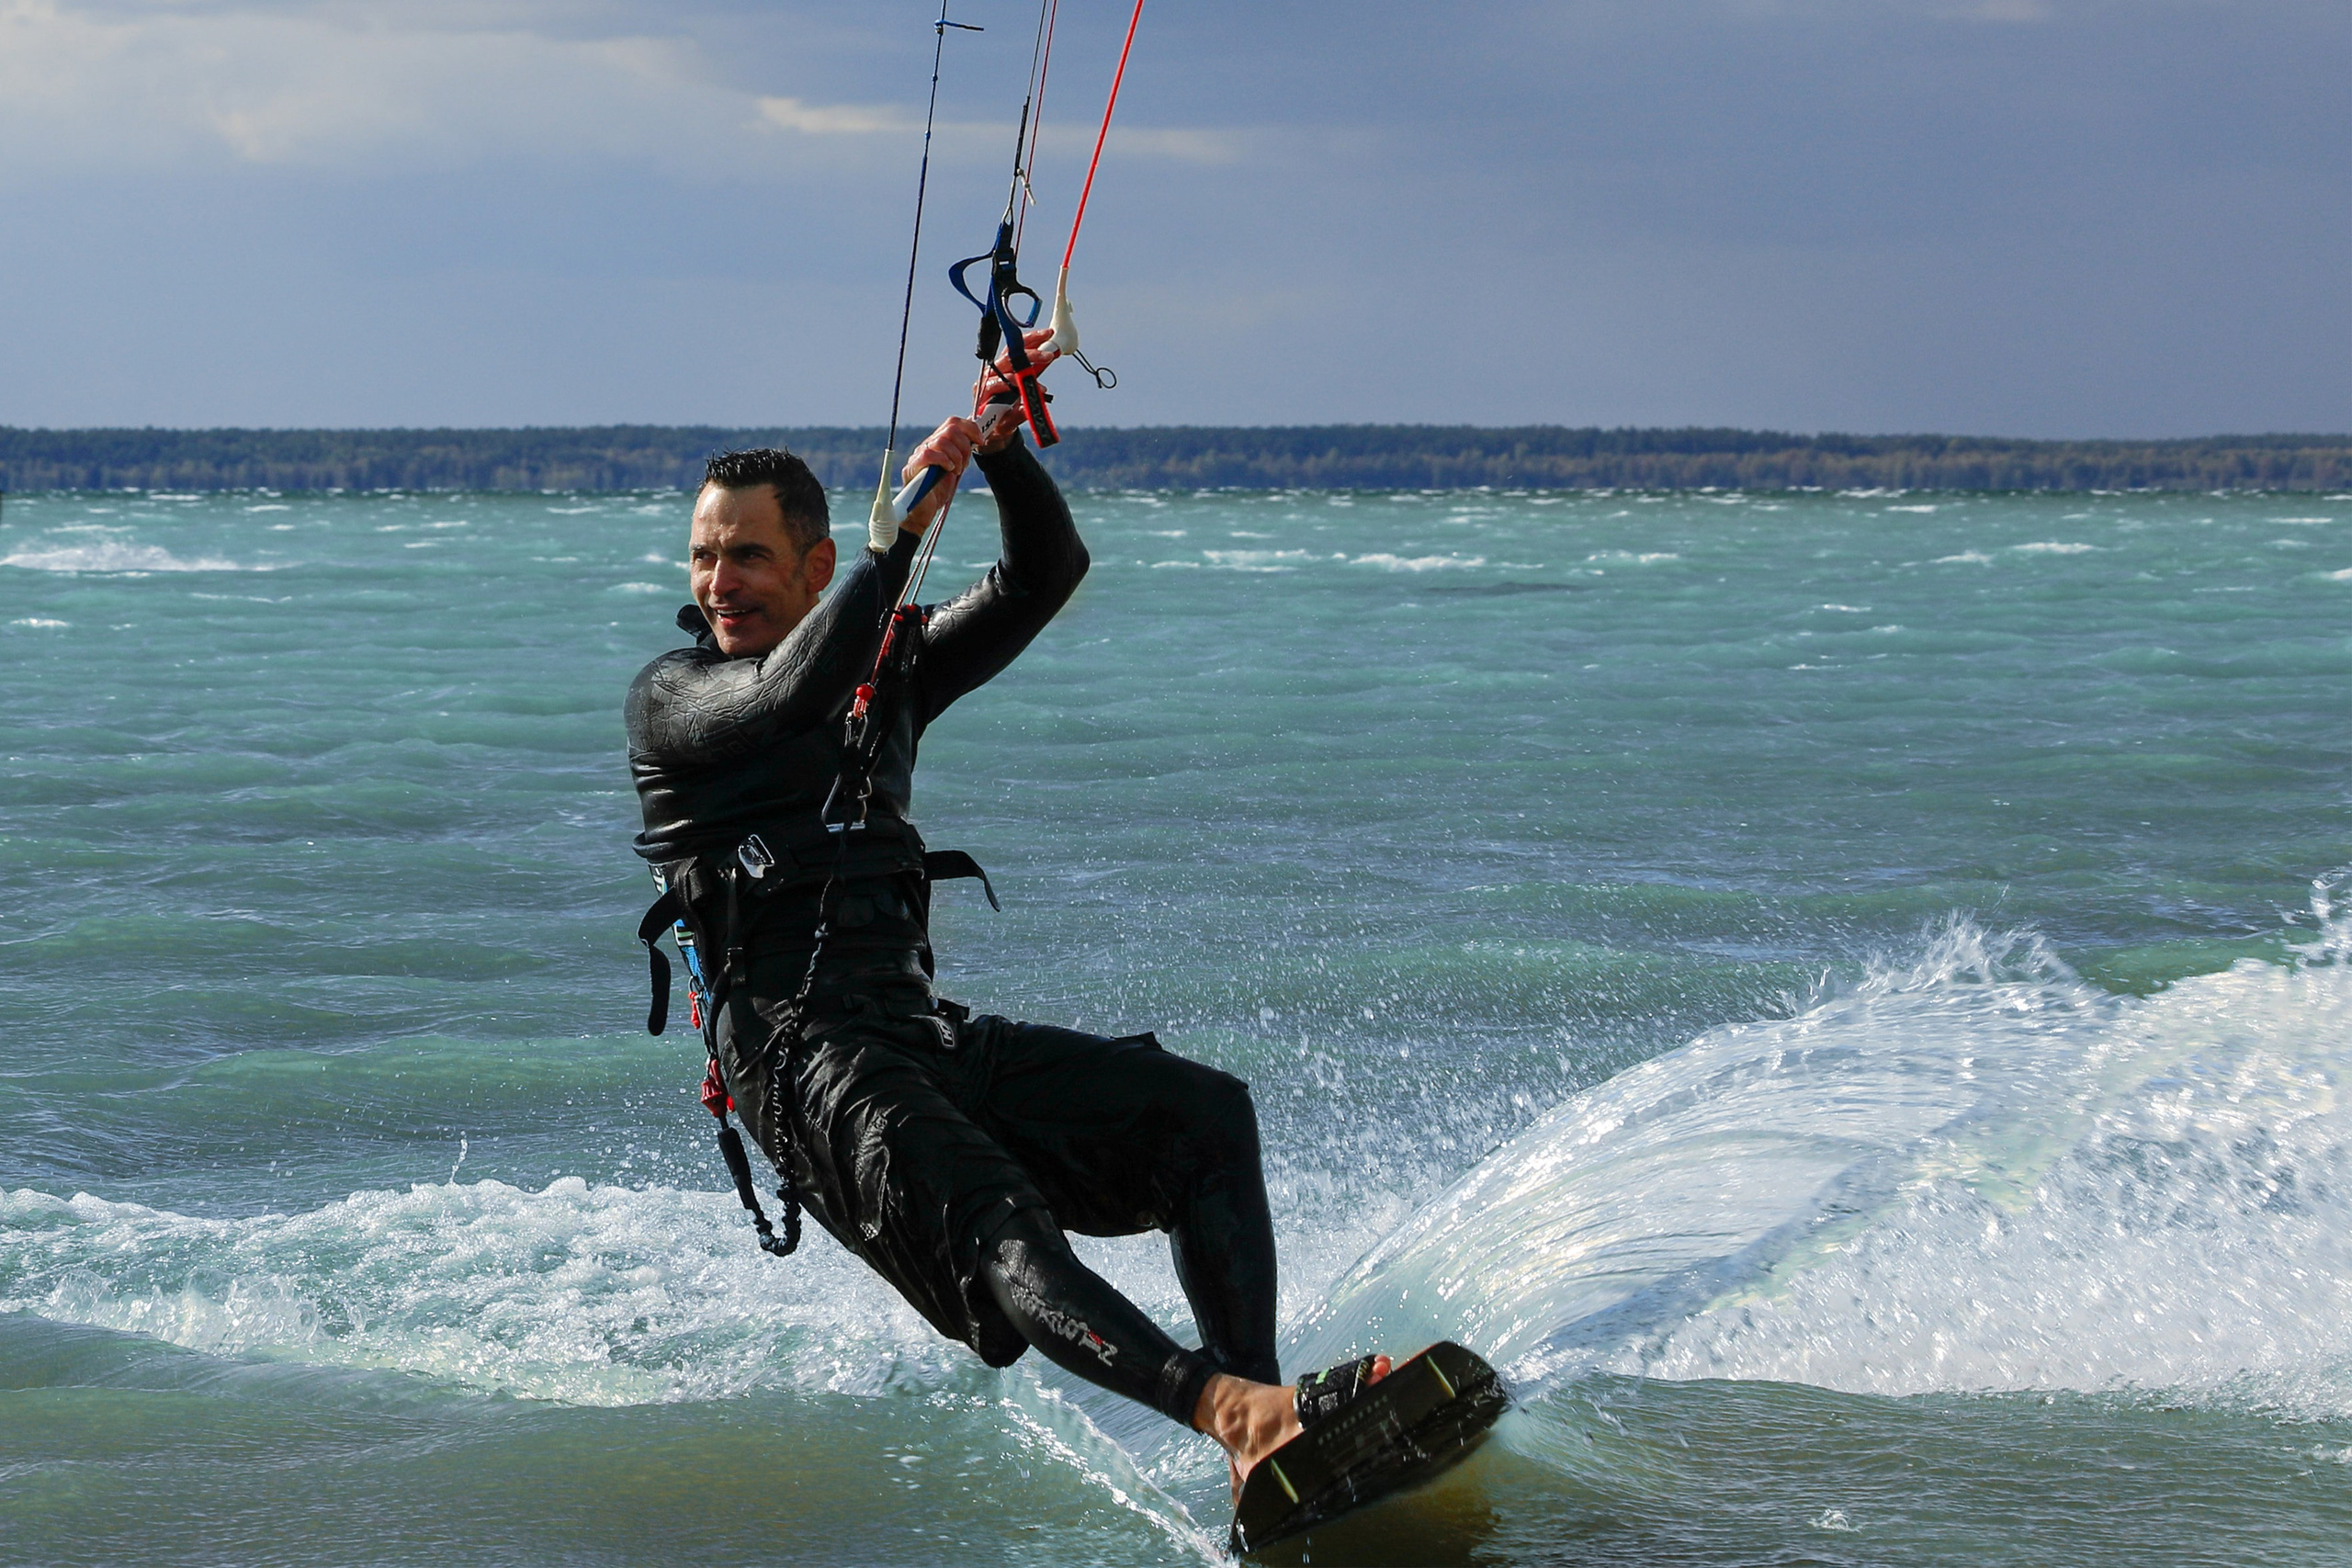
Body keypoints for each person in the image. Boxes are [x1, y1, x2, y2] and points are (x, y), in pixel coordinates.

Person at [623, 342, 1387, 1495]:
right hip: (798, 1061)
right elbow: (788, 693)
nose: (718, 581)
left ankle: (1265, 1434)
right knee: (999, 1220)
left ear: (815, 563)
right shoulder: (674, 701)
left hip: (913, 1034)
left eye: (748, 555)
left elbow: (1044, 572)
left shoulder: (887, 671)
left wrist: (997, 448)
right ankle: (1234, 1416)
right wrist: (904, 531)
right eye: (704, 555)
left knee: (1200, 1116)